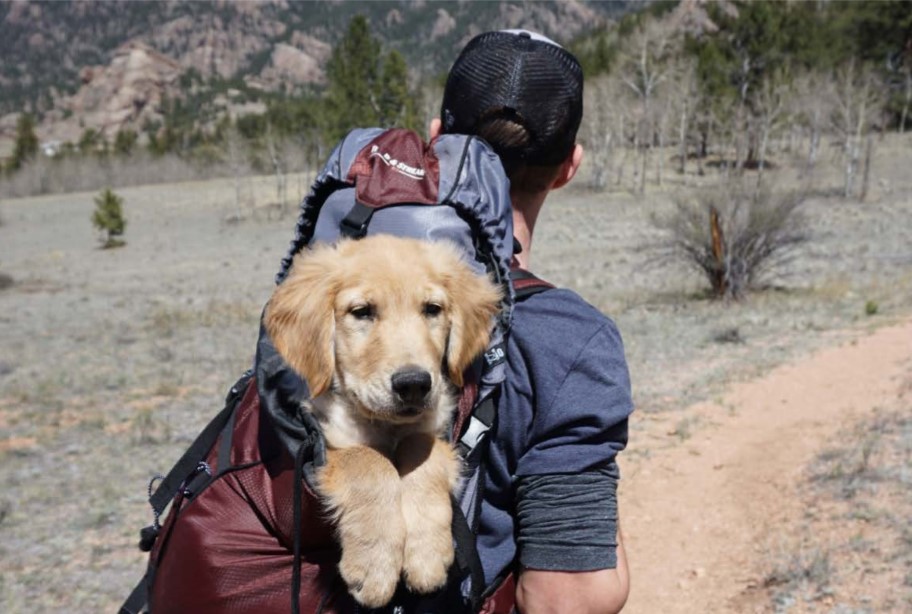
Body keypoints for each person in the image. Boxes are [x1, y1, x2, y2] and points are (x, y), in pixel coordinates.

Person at [431, 30, 633, 613]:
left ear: (437, 141)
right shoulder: (570, 341)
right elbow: (563, 602)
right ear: (570, 165)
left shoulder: (333, 279)